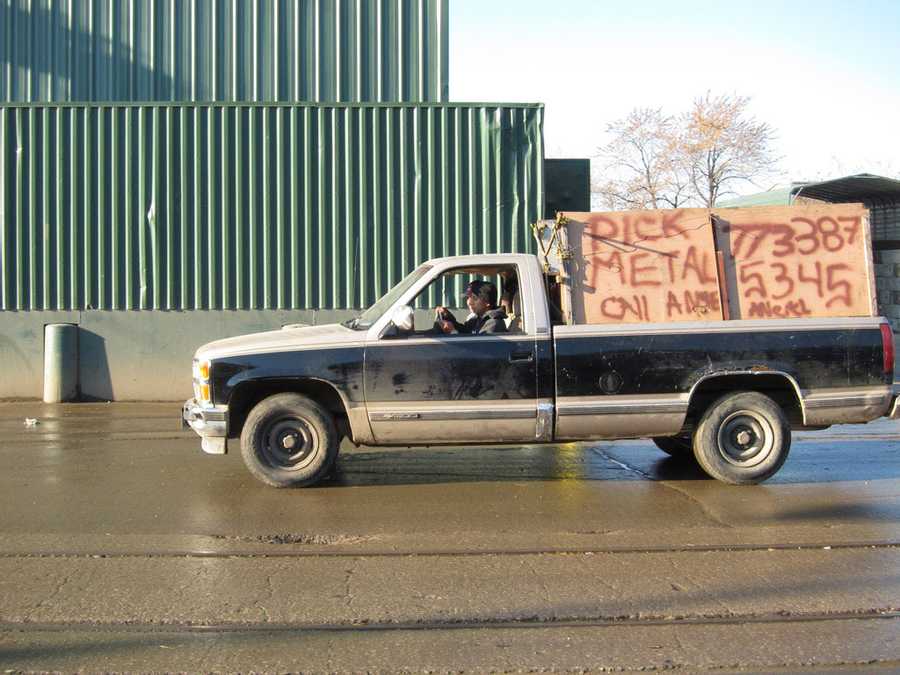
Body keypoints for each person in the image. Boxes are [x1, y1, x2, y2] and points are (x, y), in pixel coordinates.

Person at [434, 280, 508, 335]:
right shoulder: (476, 319)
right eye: (468, 298)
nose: (469, 302)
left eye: (474, 298)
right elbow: (464, 331)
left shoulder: (493, 324)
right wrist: (448, 317)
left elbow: (478, 351)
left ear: (487, 303)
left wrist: (453, 332)